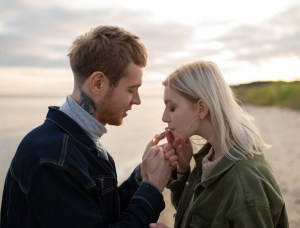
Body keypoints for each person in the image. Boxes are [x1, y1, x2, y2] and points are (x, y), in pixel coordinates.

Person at [0, 25, 177, 228]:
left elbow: (99, 214)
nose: (137, 100)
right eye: (131, 90)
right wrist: (152, 187)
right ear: (98, 83)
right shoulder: (53, 160)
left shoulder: (75, 143)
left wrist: (141, 175)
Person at [149, 60, 289, 227]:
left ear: (201, 108)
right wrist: (182, 170)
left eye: (171, 108)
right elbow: (195, 216)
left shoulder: (244, 181)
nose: (164, 117)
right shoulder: (212, 156)